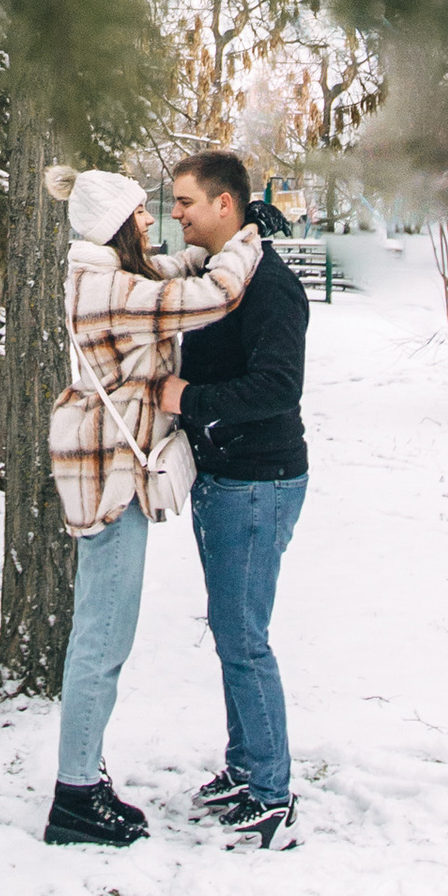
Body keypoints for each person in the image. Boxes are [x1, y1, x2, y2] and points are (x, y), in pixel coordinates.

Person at [41, 166, 262, 847]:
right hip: (110, 482)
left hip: (107, 471)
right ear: (116, 224)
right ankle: (75, 795)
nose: (151, 223)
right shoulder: (112, 291)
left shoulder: (107, 271)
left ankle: (83, 775)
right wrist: (247, 238)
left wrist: (210, 242)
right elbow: (214, 295)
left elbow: (175, 265)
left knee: (101, 633)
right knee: (102, 641)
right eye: (141, 214)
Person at [156, 149, 310, 849]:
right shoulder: (218, 277)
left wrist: (190, 399)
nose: (177, 212)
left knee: (244, 636)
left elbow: (278, 386)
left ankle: (272, 793)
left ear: (226, 205)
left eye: (186, 201)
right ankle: (246, 766)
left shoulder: (270, 286)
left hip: (258, 481)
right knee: (230, 630)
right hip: (227, 477)